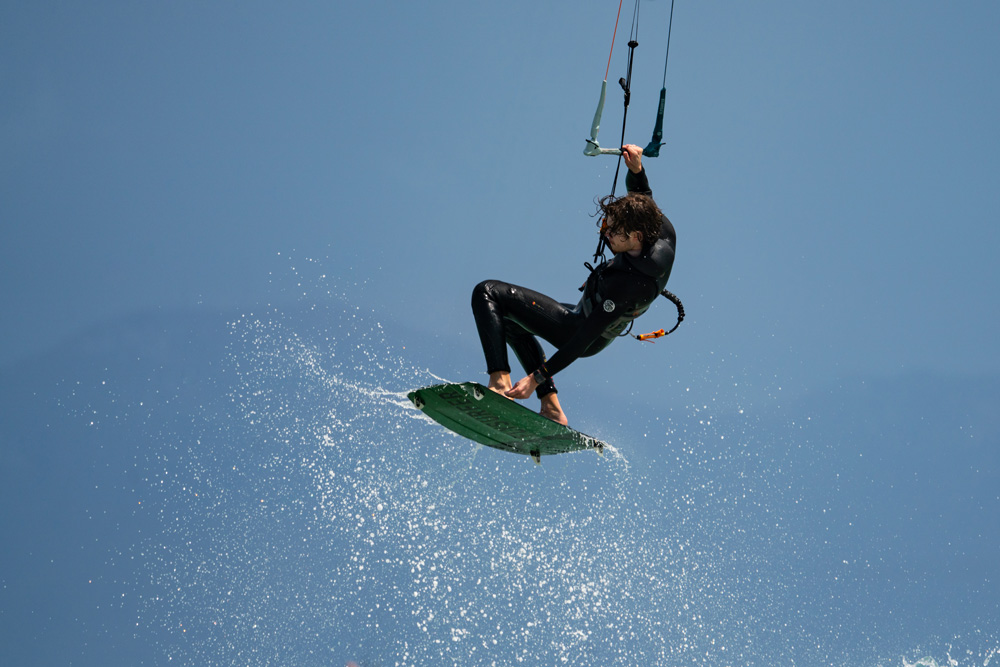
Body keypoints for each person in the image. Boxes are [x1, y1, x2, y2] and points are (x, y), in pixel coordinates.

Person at [471, 144, 676, 425]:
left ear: (636, 237)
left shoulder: (630, 285)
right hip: (584, 314)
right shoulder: (658, 227)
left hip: (583, 329)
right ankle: (552, 408)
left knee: (487, 293)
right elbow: (643, 195)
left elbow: (583, 339)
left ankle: (498, 385)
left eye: (614, 232)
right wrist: (637, 169)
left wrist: (535, 378)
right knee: (507, 320)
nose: (607, 234)